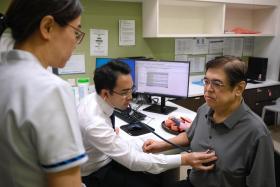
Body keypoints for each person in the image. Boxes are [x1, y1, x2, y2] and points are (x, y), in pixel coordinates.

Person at [77, 60, 217, 187]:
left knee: (155, 176)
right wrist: (184, 159)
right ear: (106, 94)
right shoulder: (94, 122)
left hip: (106, 157)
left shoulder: (97, 99)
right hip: (96, 172)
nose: (130, 97)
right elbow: (132, 161)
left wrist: (151, 145)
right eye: (125, 92)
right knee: (150, 180)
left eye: (132, 89)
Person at [143, 56, 276, 187]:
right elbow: (189, 136)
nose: (208, 89)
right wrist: (160, 145)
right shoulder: (205, 109)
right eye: (206, 82)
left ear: (239, 88)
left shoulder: (257, 133)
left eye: (217, 84)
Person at [0, 0, 88, 187]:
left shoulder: (5, 74)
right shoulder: (50, 90)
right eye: (76, 32)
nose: (76, 42)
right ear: (47, 27)